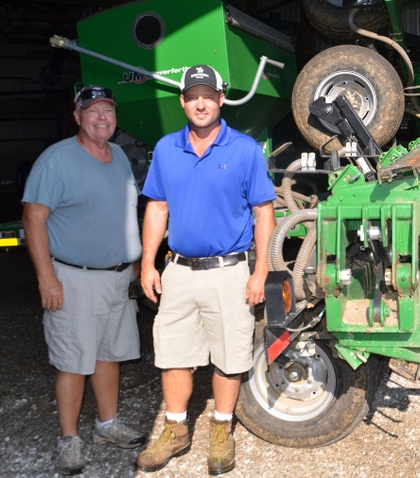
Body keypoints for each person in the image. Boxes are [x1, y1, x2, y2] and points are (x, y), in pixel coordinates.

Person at [135, 64, 276, 475]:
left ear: (220, 99)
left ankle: (221, 431)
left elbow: (263, 213)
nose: (201, 103)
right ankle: (176, 430)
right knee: (173, 352)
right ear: (183, 101)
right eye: (193, 95)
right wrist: (147, 264)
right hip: (177, 270)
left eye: (208, 95)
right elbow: (157, 208)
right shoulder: (165, 149)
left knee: (229, 356)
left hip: (229, 271)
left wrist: (260, 273)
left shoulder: (245, 149)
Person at [22, 85, 145, 476]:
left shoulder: (120, 157)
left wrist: (136, 260)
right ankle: (69, 439)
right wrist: (47, 278)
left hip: (116, 278)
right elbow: (33, 219)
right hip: (74, 279)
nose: (101, 118)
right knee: (73, 360)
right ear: (77, 117)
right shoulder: (56, 161)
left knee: (109, 355)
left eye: (107, 110)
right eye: (92, 112)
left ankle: (107, 426)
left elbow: (126, 213)